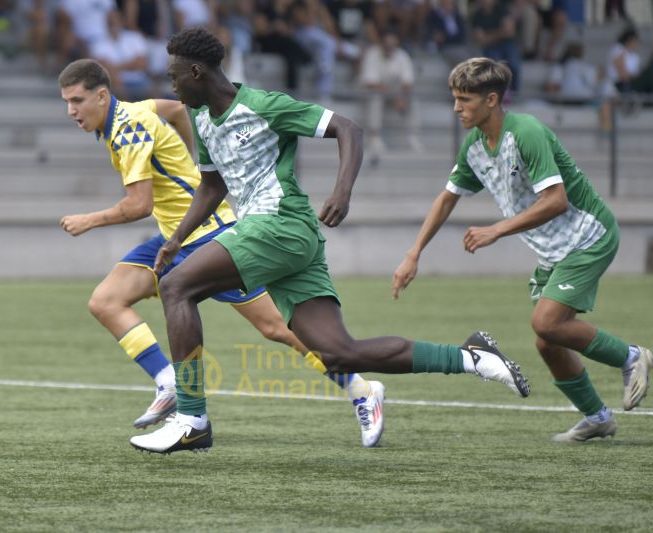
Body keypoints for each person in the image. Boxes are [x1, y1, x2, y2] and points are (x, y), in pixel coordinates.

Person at [129, 28, 530, 455]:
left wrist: (342, 191)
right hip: (281, 239)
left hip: (280, 224)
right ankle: (473, 357)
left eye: (174, 76)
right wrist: (176, 240)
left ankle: (192, 419)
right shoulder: (201, 115)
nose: (171, 86)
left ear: (196, 71)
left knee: (176, 287)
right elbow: (211, 186)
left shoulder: (264, 106)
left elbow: (348, 128)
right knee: (339, 354)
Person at [57, 58, 385, 447]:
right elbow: (176, 108)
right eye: (66, 102)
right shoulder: (130, 111)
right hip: (172, 239)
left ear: (101, 95)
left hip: (209, 233)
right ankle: (170, 384)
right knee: (106, 301)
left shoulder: (127, 128)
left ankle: (361, 390)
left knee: (276, 327)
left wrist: (88, 220)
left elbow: (138, 205)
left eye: (77, 101)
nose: (70, 111)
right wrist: (194, 161)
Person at [392, 57, 652, 443]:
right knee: (548, 340)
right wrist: (414, 253)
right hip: (553, 249)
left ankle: (632, 357)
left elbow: (557, 200)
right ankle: (598, 417)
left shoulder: (526, 132)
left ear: (492, 99)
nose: (456, 108)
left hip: (587, 235)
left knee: (546, 323)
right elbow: (447, 199)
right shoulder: (475, 147)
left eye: (465, 99)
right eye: (455, 98)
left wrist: (497, 230)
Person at [358, 29, 420, 161]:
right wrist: (394, 96)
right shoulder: (372, 53)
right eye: (386, 44)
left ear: (396, 43)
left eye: (392, 44)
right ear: (381, 43)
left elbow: (408, 82)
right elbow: (370, 83)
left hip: (394, 92)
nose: (389, 47)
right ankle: (374, 137)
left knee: (412, 99)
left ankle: (411, 135)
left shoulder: (402, 55)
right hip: (375, 92)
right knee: (374, 97)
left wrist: (400, 96)